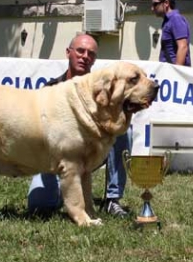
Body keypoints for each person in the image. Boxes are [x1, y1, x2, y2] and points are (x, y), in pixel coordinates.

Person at [27, 33, 130, 217]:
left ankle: (112, 199)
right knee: (39, 206)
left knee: (121, 130)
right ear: (68, 53)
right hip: (54, 160)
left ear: (94, 60)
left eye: (91, 54)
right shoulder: (50, 89)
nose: (85, 56)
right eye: (80, 51)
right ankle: (65, 192)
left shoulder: (102, 92)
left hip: (89, 153)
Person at [151, 0, 191, 66]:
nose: (152, 8)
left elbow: (183, 46)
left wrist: (175, 74)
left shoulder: (176, 19)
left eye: (155, 4)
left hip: (174, 74)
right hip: (169, 71)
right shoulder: (168, 21)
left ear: (166, 3)